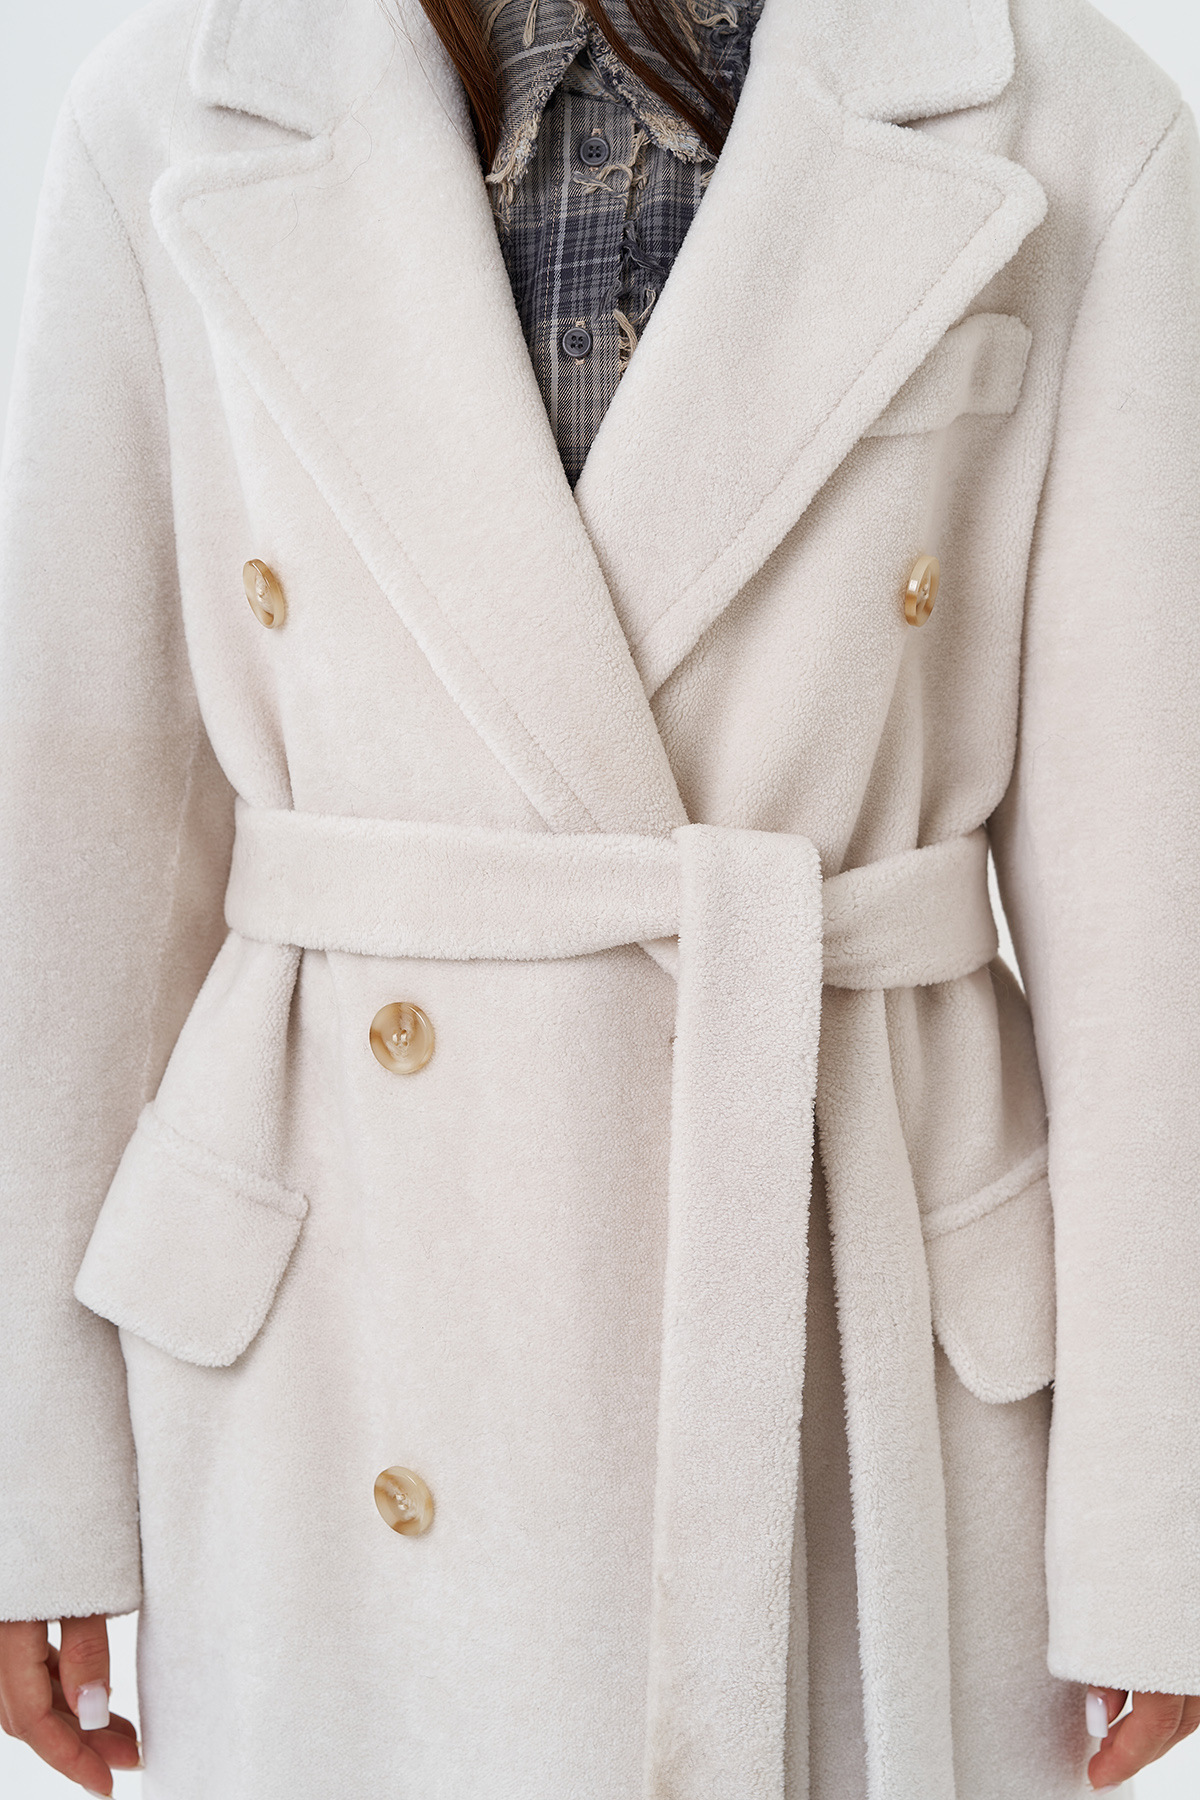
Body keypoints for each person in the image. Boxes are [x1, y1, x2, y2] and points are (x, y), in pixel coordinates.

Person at [1, 0, 1199, 1793]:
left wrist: (1158, 1528)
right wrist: (33, 1485)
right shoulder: (177, 113)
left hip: (845, 1310)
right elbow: (74, 848)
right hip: (337, 1345)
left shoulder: (1070, 114)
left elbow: (1152, 902)